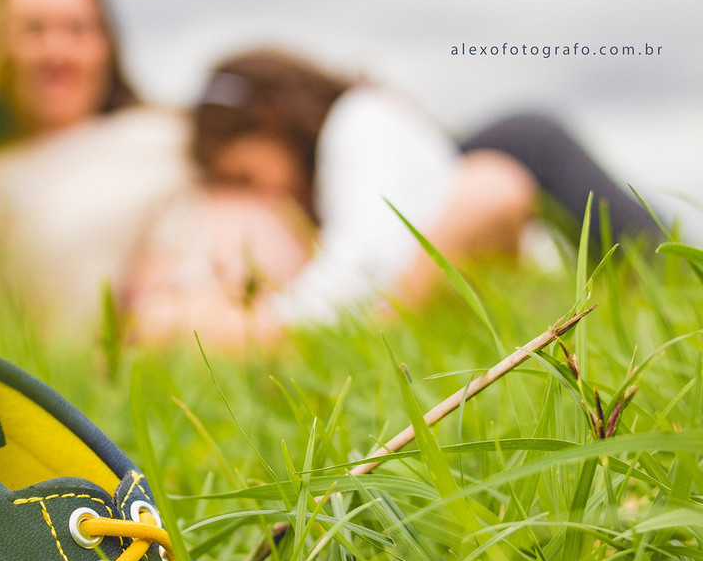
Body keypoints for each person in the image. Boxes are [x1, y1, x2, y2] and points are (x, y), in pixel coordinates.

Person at [124, 48, 674, 346]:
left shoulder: (357, 123)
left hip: (519, 276)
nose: (263, 191)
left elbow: (363, 264)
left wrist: (270, 325)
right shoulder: (351, 144)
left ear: (270, 120)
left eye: (246, 173)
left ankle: (673, 274)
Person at [0, 0, 194, 328]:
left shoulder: (166, 142)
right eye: (32, 30)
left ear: (107, 45)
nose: (57, 52)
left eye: (79, 30)